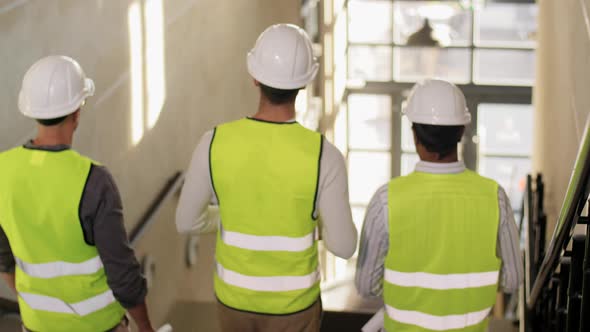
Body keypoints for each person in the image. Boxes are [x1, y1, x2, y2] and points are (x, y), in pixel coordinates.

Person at [175, 24, 358, 332]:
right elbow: (344, 246)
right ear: (305, 82)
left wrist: (232, 216)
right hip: (294, 307)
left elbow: (185, 221)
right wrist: (311, 223)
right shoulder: (325, 156)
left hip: (233, 302)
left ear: (254, 76)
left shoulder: (213, 142)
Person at [0, 56, 154, 332]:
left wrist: (35, 306)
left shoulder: (3, 170)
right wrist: (145, 327)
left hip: (37, 325)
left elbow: (3, 258)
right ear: (78, 110)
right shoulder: (94, 180)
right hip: (98, 326)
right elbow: (122, 273)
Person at [355, 79, 523, 332]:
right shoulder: (494, 197)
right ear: (461, 132)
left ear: (414, 135)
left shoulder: (386, 200)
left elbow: (366, 285)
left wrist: (407, 291)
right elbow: (513, 280)